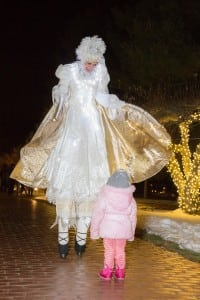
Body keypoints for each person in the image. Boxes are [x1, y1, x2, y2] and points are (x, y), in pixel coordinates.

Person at [10, 35, 171, 259]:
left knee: (90, 188)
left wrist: (116, 106)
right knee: (67, 185)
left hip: (93, 132)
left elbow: (103, 98)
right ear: (81, 56)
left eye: (95, 62)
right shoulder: (70, 71)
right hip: (73, 129)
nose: (91, 66)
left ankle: (81, 239)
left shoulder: (100, 74)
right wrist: (62, 94)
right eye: (88, 61)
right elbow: (59, 92)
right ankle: (63, 238)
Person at [90, 169, 137, 280]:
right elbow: (133, 218)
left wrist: (94, 231)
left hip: (108, 229)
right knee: (120, 250)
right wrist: (131, 234)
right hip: (123, 230)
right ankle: (120, 272)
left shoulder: (104, 196)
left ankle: (107, 271)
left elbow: (97, 214)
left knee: (109, 250)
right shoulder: (131, 199)